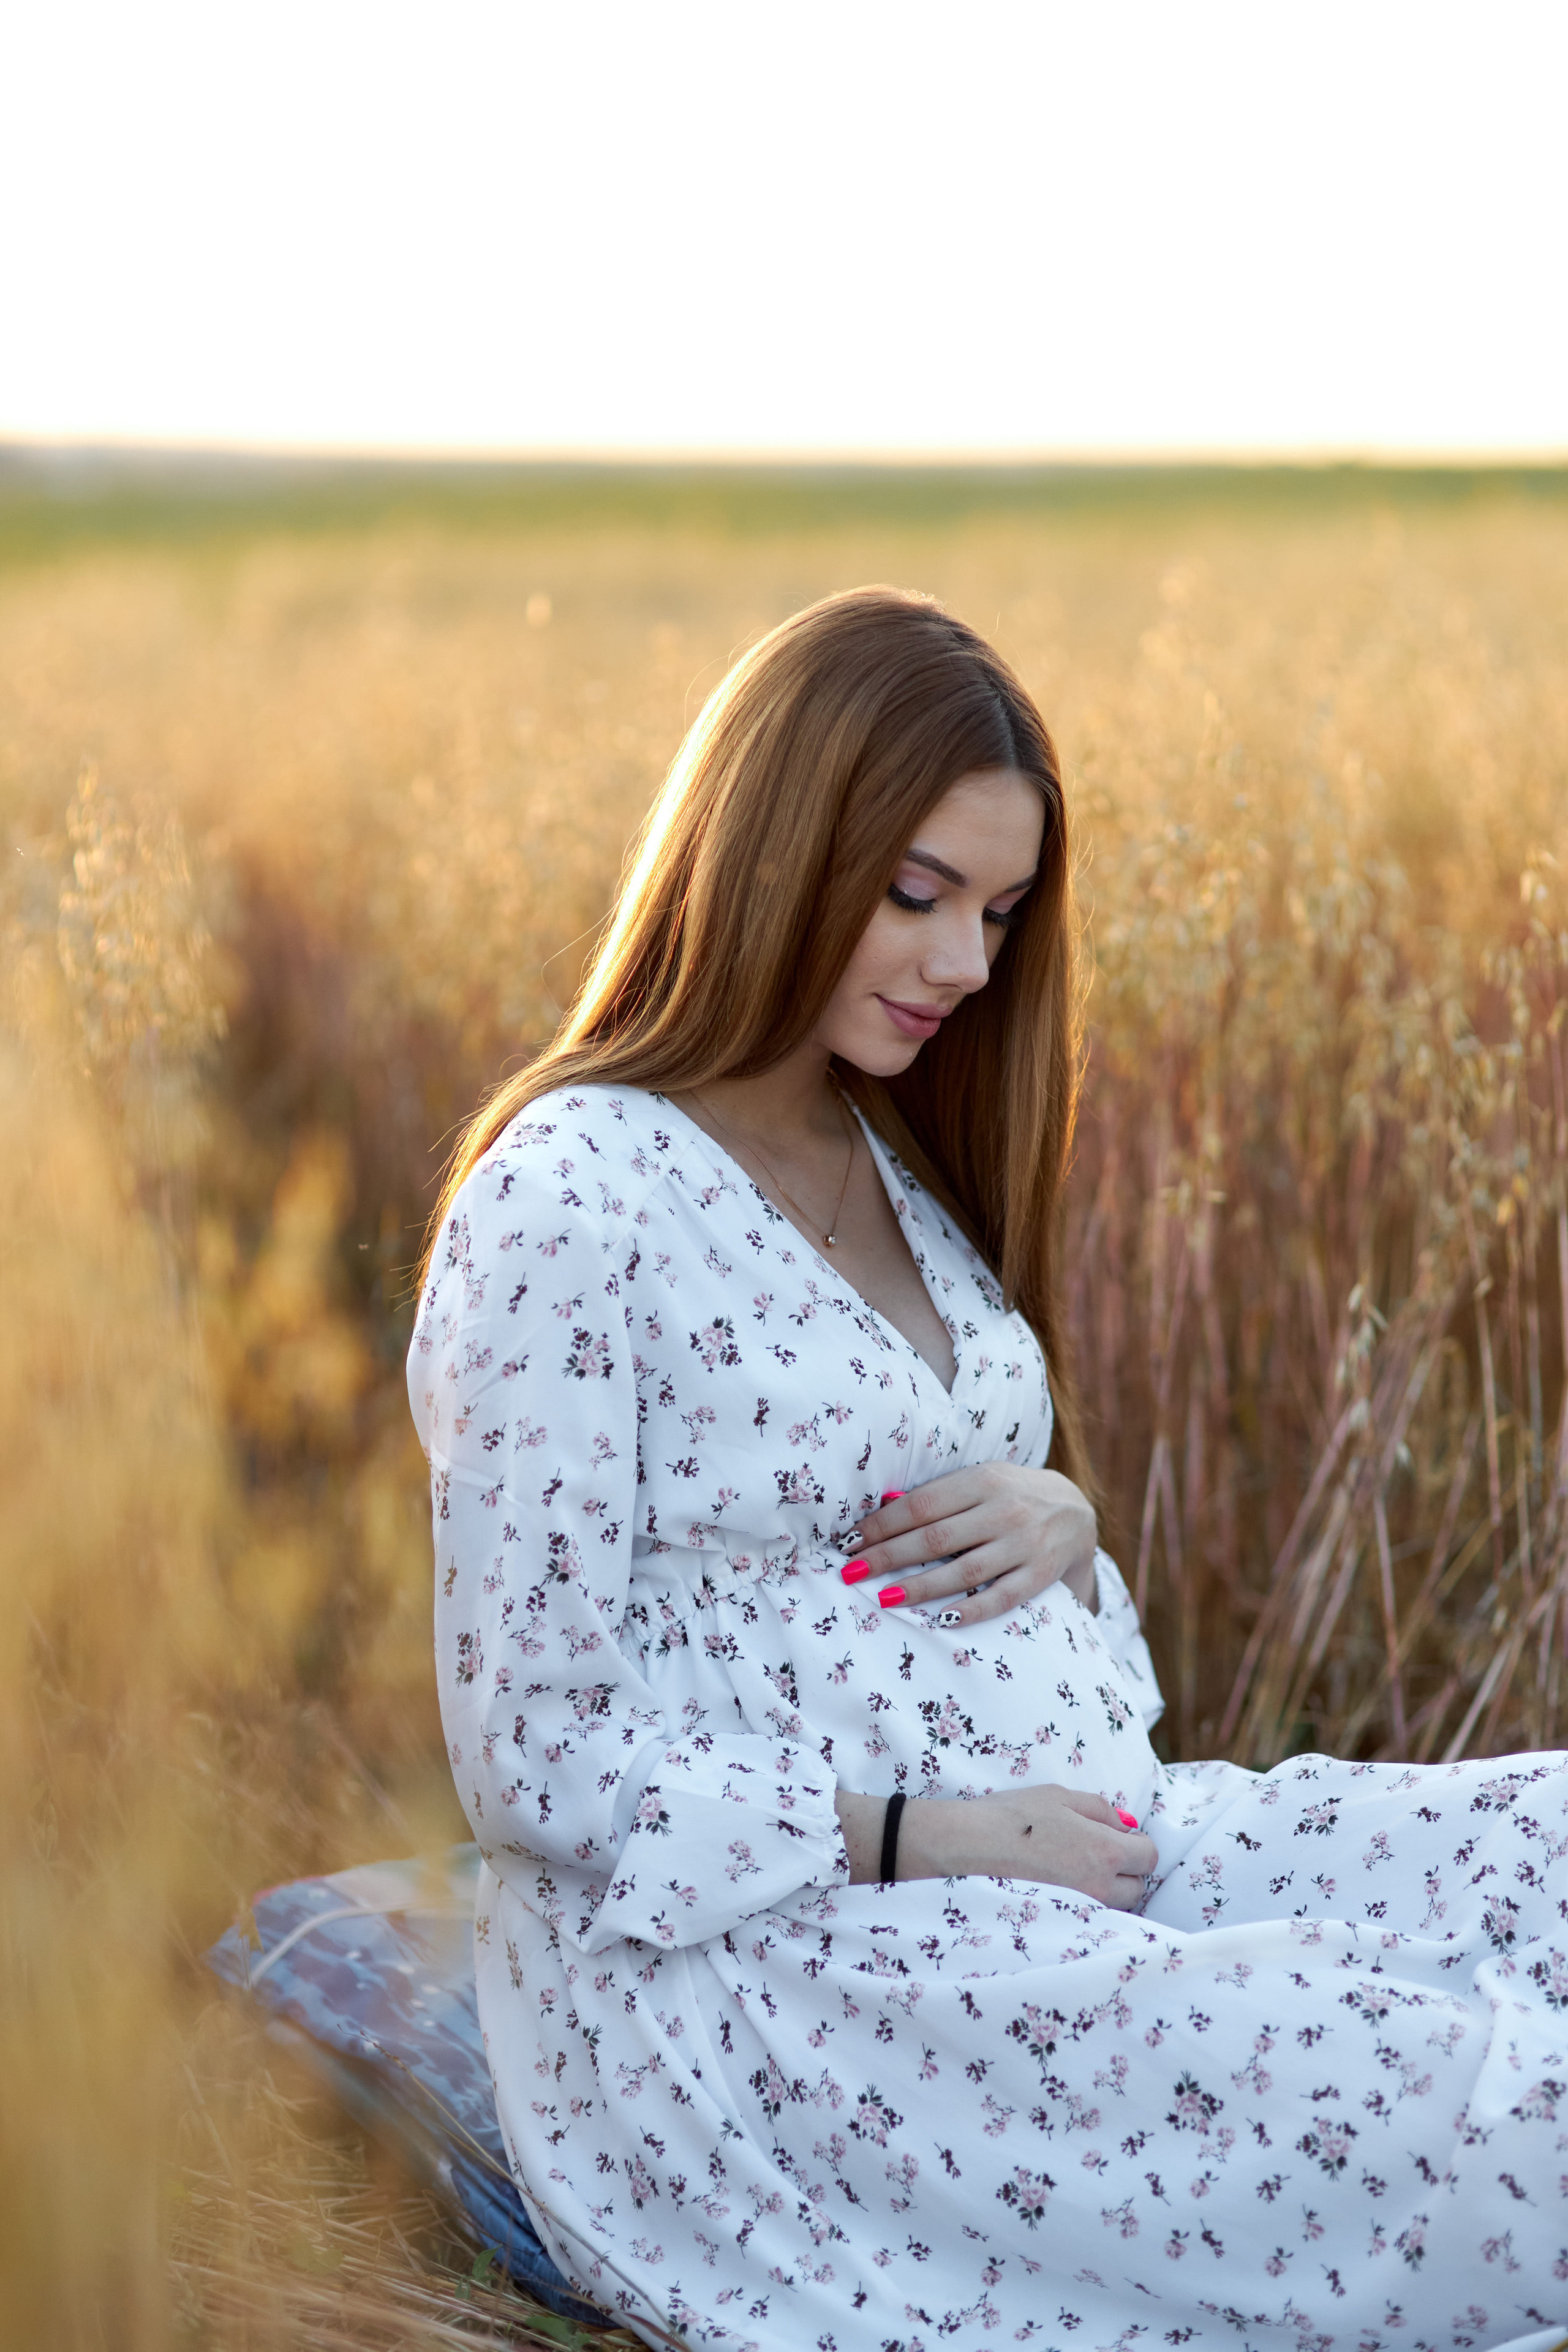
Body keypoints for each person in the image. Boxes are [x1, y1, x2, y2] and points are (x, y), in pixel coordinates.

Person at [409, 589, 1568, 2352]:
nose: (966, 965)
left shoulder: (890, 1144)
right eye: (917, 894)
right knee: (1476, 2110)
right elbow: (529, 1759)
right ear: (781, 845)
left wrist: (1070, 1523)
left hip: (1084, 1847)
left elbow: (965, 1556)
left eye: (1002, 914)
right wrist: (918, 1834)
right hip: (786, 1977)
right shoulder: (574, 1198)